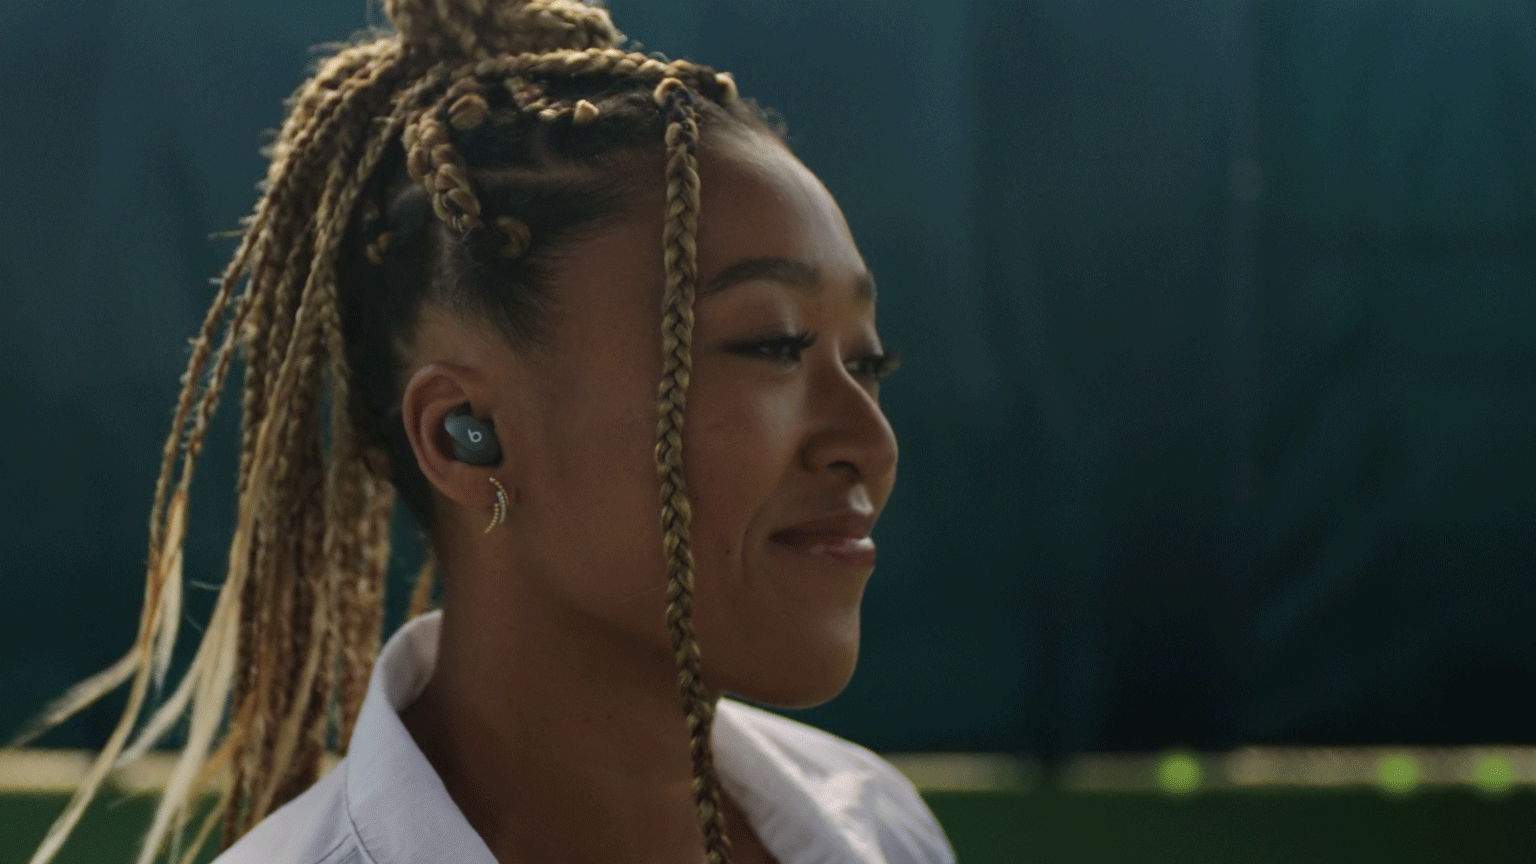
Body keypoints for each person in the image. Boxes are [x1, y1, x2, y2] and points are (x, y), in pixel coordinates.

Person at [21, 1, 954, 862]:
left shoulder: (880, 825)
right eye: (773, 346)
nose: (871, 444)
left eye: (867, 363)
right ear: (467, 435)